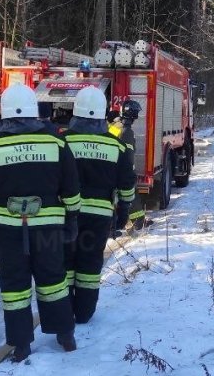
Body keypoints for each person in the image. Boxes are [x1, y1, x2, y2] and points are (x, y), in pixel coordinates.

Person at [0, 84, 81, 362]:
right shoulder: (56, 142)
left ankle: (21, 344)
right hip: (48, 227)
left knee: (14, 286)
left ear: (4, 113)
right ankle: (65, 334)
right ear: (35, 111)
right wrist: (73, 217)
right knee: (54, 279)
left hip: (8, 230)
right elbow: (71, 185)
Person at [62, 87, 136, 323]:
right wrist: (123, 212)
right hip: (100, 216)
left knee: (65, 262)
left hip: (66, 215)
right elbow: (126, 184)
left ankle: (64, 309)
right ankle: (84, 313)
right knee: (90, 263)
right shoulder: (117, 147)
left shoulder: (62, 142)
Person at [112, 99, 150, 230]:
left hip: (111, 166)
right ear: (132, 114)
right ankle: (138, 223)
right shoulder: (127, 131)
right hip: (121, 169)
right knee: (131, 194)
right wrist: (129, 171)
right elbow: (128, 153)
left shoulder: (115, 126)